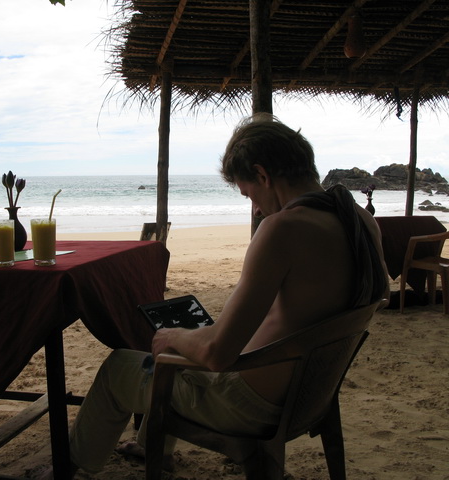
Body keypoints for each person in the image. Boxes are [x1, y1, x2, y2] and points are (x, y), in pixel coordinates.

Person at [38, 114, 390, 479]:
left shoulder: (282, 229)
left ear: (263, 175)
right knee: (188, 344)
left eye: (248, 194)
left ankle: (66, 471)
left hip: (250, 404)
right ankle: (151, 448)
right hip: (309, 394)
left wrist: (172, 337)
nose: (255, 209)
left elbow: (218, 354)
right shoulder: (359, 220)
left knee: (121, 366)